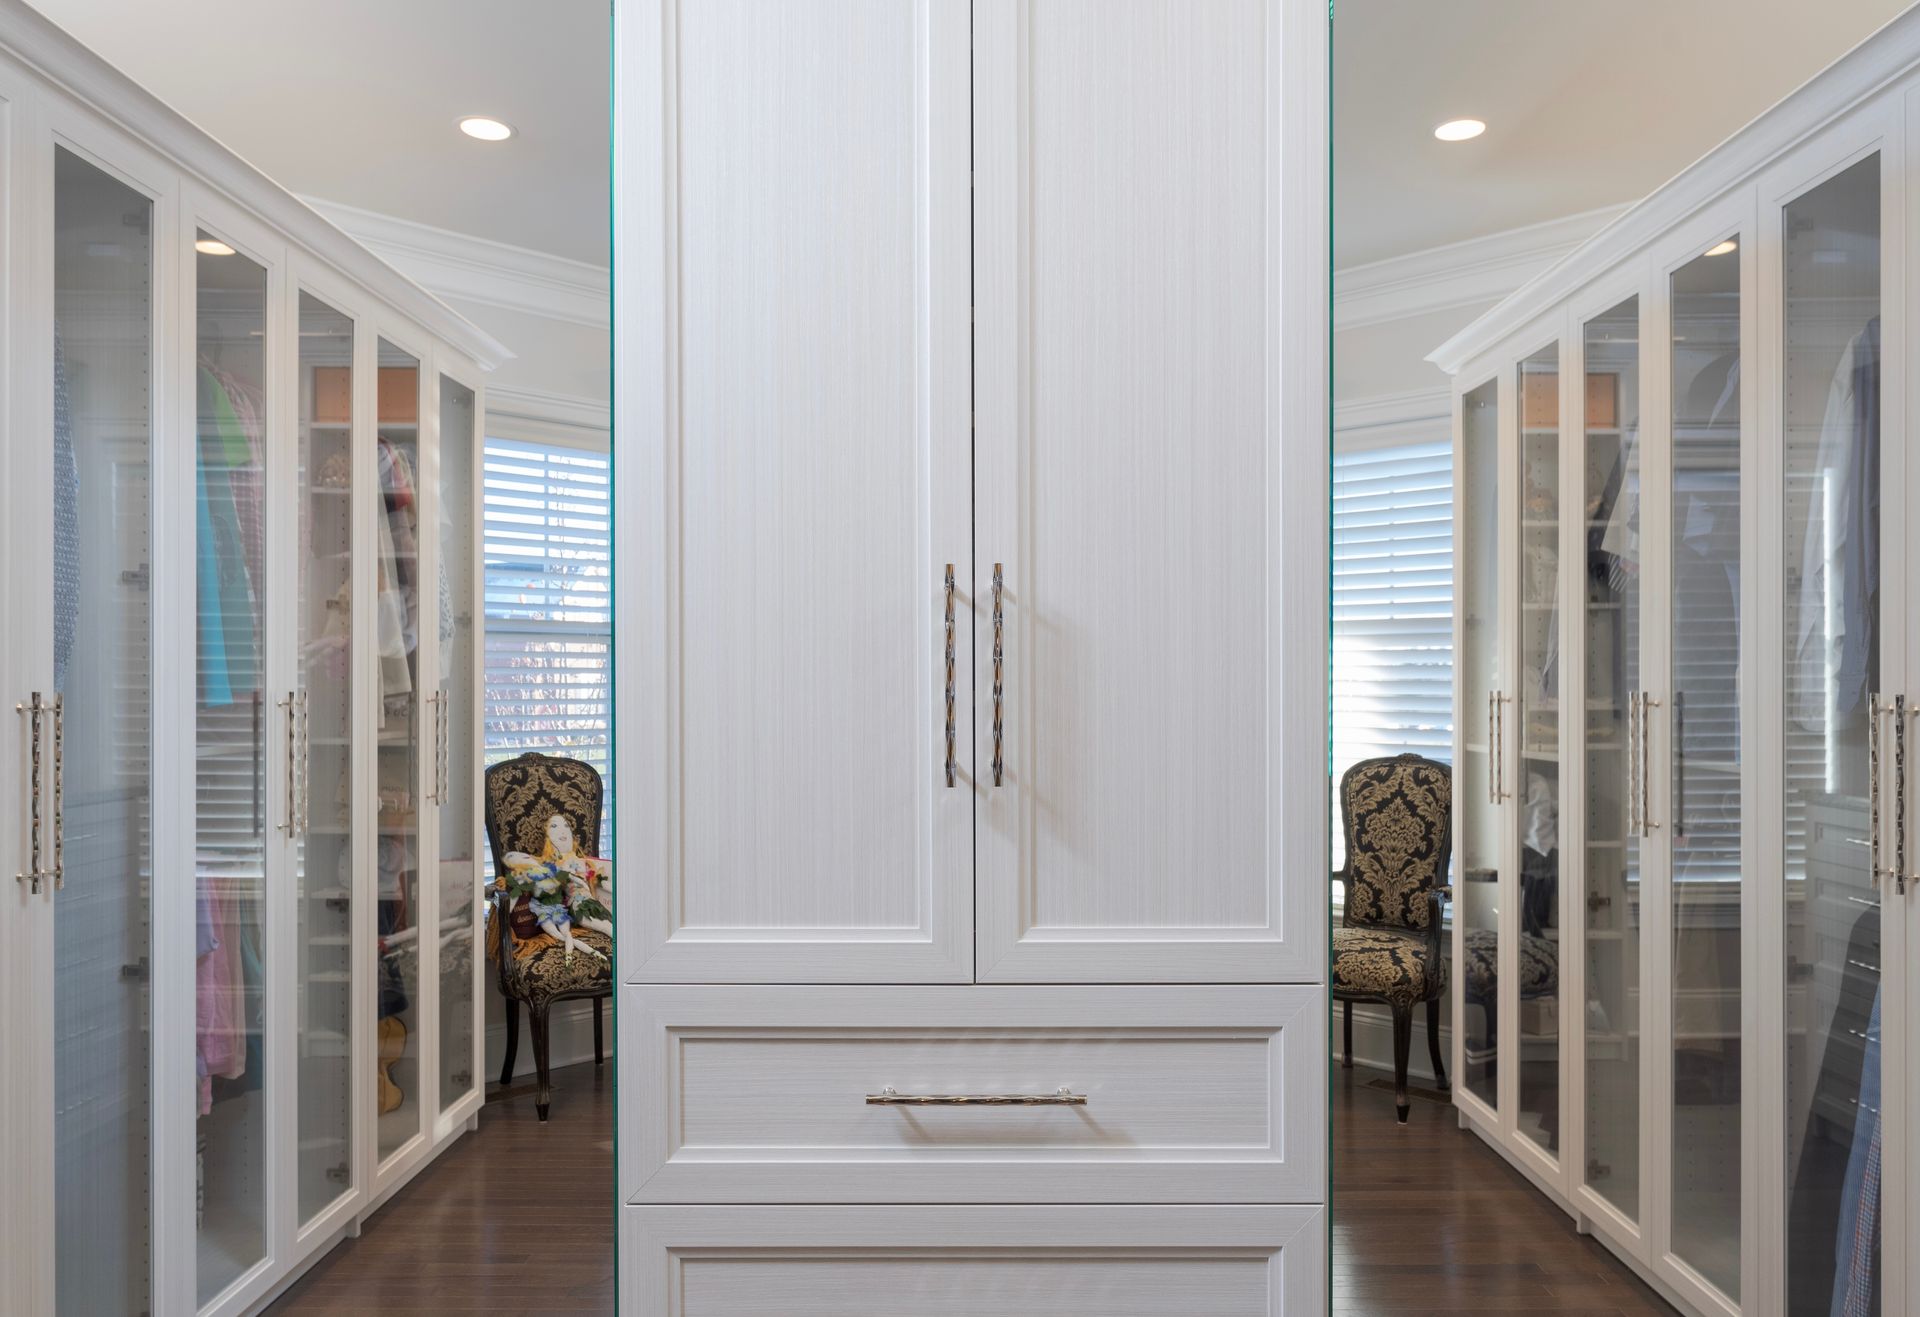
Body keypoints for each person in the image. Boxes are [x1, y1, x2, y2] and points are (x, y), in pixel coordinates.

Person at [499, 813, 613, 963]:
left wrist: (606, 884)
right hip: (576, 904)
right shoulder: (550, 865)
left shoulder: (582, 861)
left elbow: (596, 877)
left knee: (608, 922)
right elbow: (523, 866)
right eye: (554, 826)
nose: (562, 831)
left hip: (592, 900)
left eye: (566, 826)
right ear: (548, 837)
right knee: (604, 926)